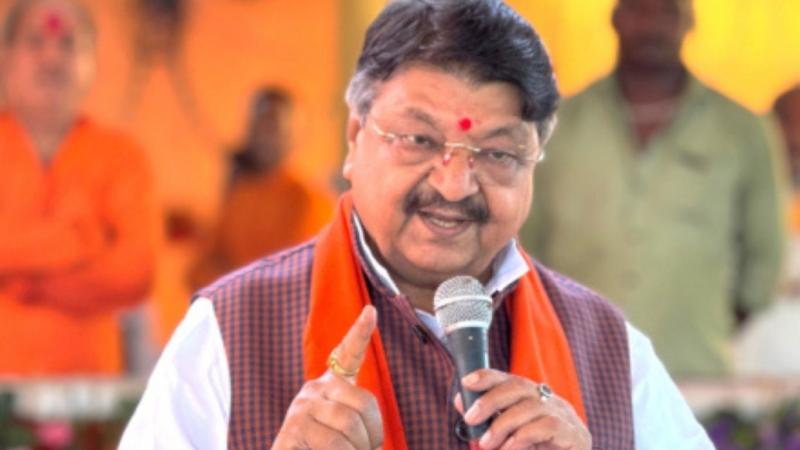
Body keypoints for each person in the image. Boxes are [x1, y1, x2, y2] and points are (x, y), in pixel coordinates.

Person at [121, 1, 713, 449]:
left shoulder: (608, 349)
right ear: (355, 137)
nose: (454, 186)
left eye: (497, 152)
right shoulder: (232, 332)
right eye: (419, 140)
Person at [519, 0, 787, 378]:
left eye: (666, 11)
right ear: (614, 18)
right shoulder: (557, 124)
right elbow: (523, 242)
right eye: (638, 9)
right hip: (573, 365)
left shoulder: (742, 129)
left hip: (693, 371)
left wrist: (703, 325)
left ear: (689, 23)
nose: (651, 24)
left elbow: (764, 258)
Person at [0, 0, 157, 374]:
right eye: (35, 41)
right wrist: (76, 241)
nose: (52, 58)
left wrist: (23, 283)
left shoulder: (121, 156)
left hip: (91, 394)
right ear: (5, 58)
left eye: (69, 44)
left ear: (92, 63)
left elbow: (136, 272)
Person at [188, 87, 334, 289]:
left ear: (295, 136)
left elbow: (291, 283)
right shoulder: (240, 194)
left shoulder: (307, 202)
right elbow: (206, 265)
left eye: (273, 126)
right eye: (259, 124)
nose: (264, 136)